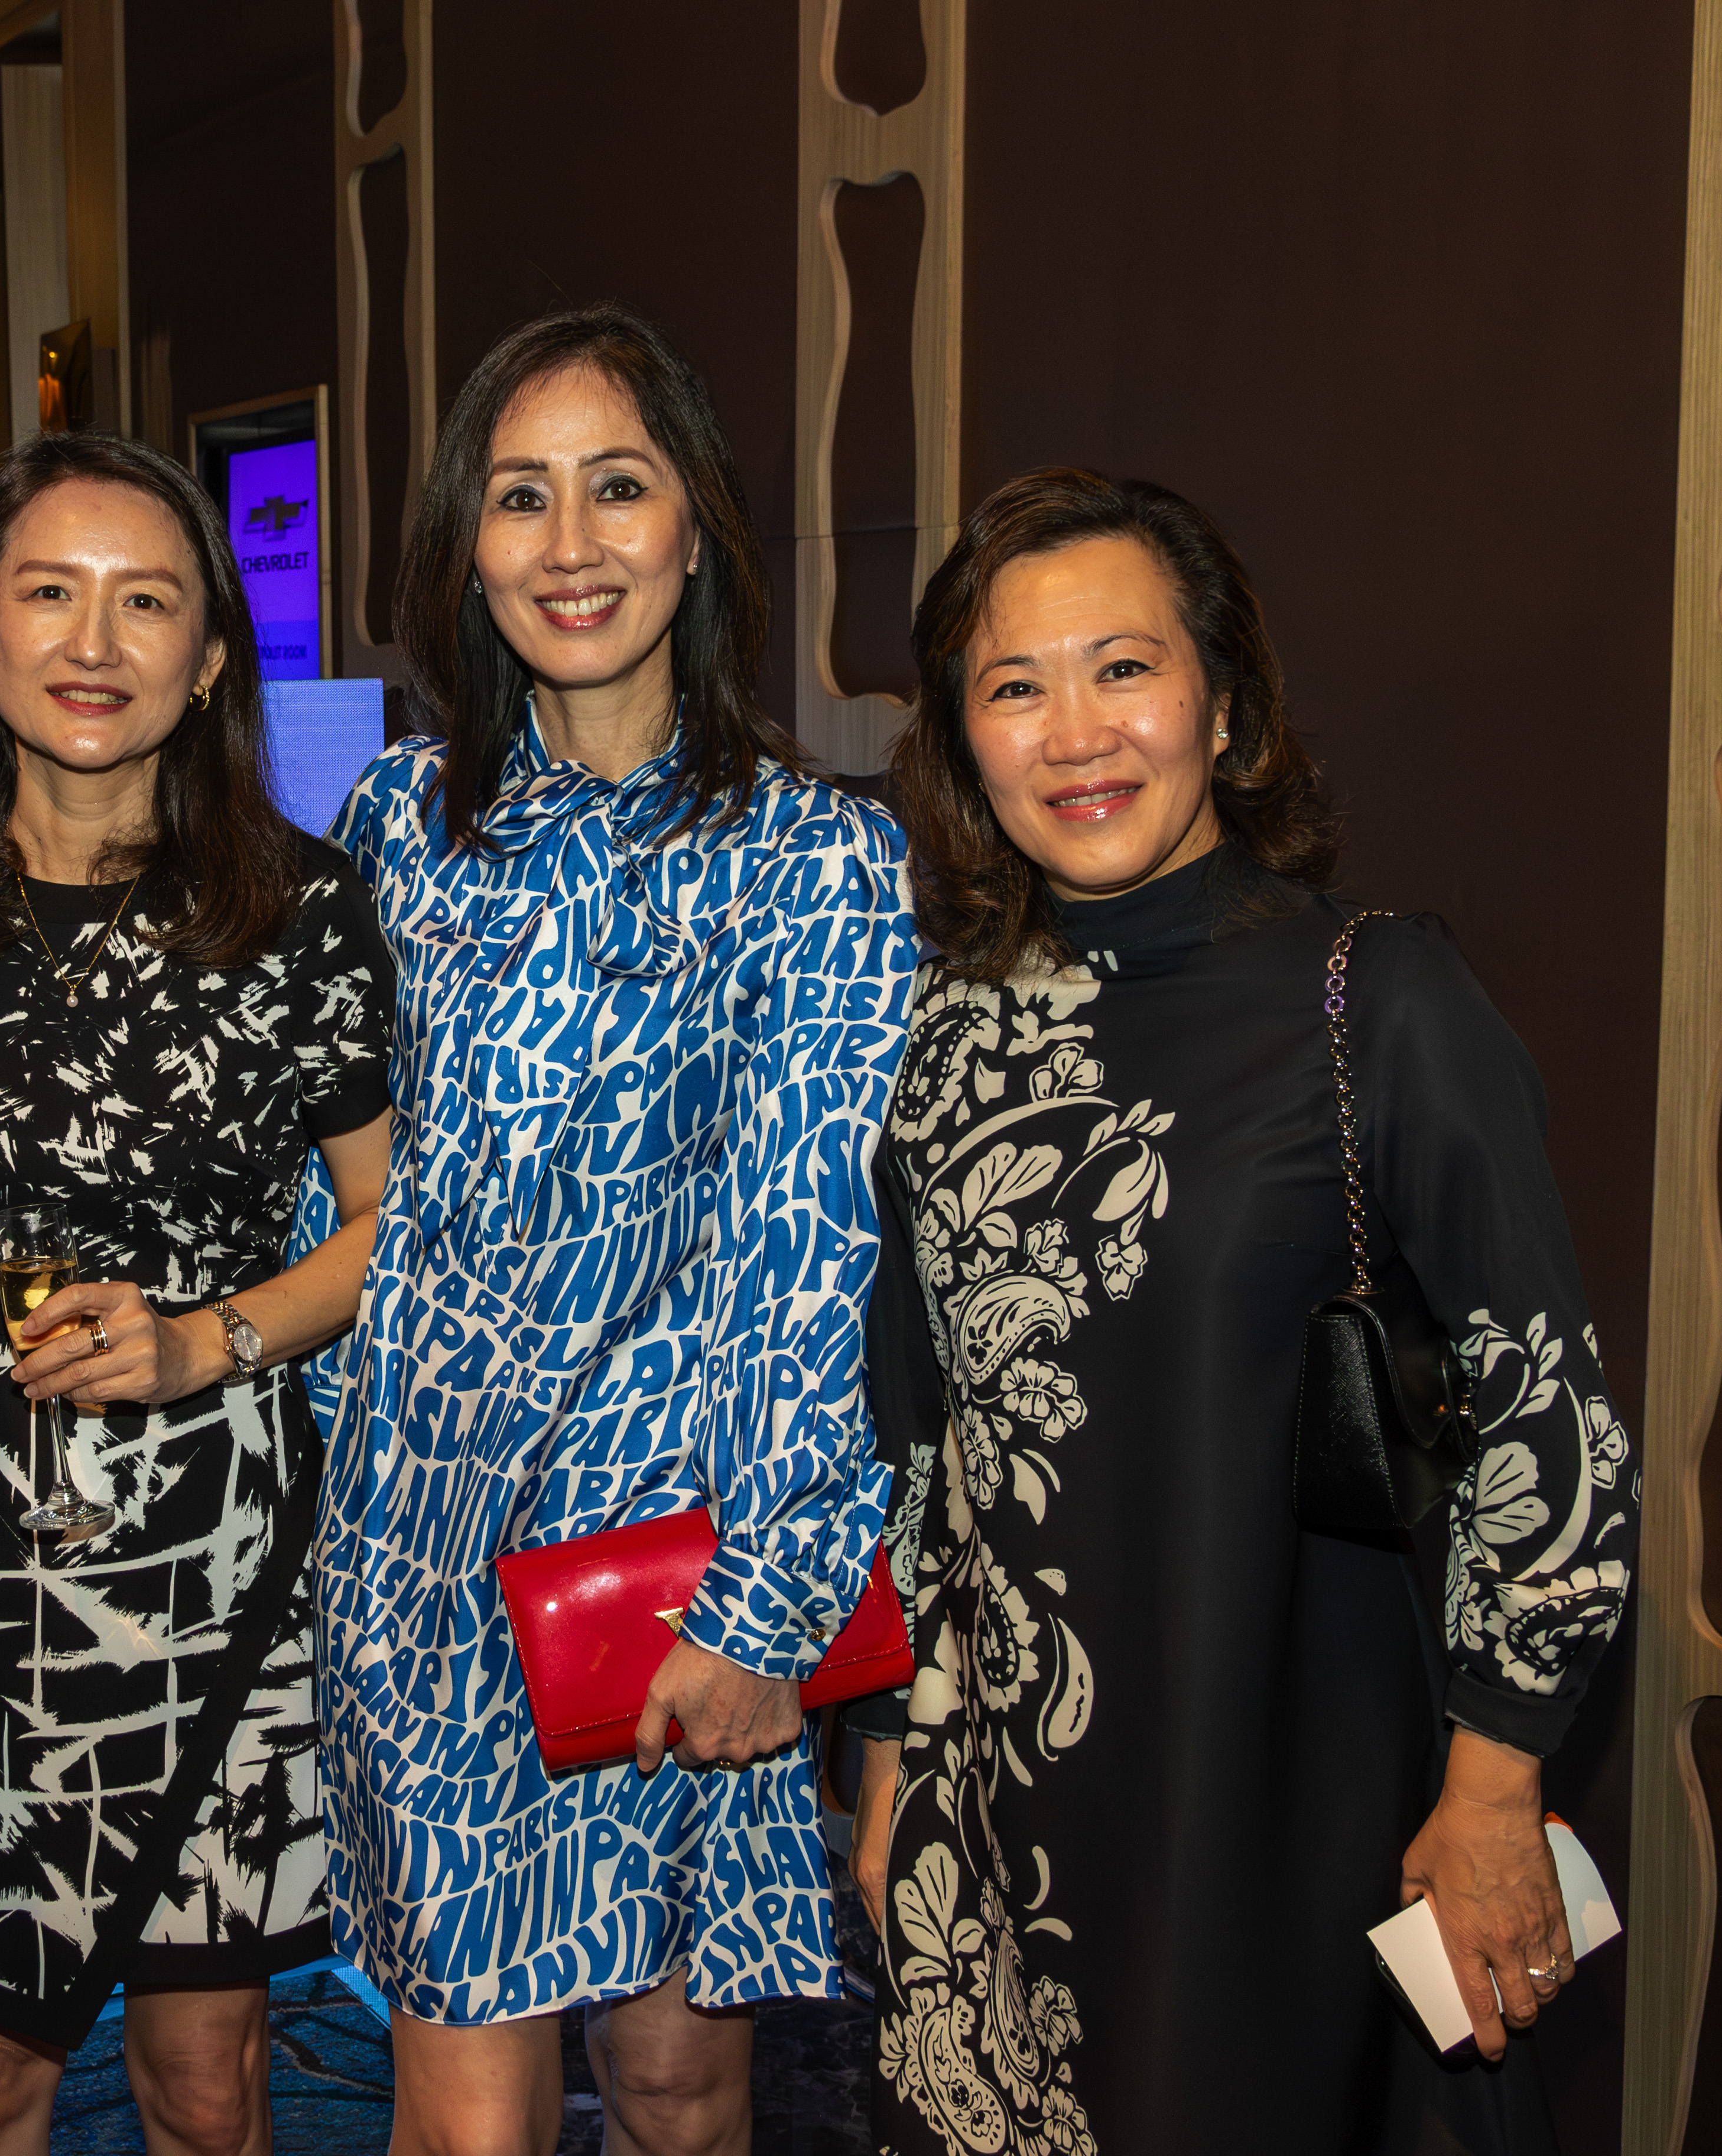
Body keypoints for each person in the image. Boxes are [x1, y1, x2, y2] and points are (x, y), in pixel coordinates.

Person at [855, 468, 1635, 2152]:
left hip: (1293, 1796)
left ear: (1225, 701)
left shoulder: (1383, 1002)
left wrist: (1499, 1783)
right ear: (963, 748)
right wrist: (894, 1774)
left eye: (1124, 668)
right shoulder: (943, 1042)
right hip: (1002, 1823)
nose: (1075, 732)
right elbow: (920, 1453)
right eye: (1014, 687)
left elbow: (1551, 1423)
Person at [310, 303, 919, 2156]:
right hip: (423, 1549)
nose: (570, 543)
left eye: (617, 486)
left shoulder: (815, 859)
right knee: (474, 2121)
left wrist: (770, 1609)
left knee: (675, 2085)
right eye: (519, 496)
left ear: (693, 527)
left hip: (668, 1573)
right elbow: (357, 1194)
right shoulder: (398, 825)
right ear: (463, 546)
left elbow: (811, 1265)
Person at [0, 428, 394, 2156]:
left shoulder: (293, 911)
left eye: (146, 600)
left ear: (213, 654)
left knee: (203, 2082)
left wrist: (203, 1337)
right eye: (48, 594)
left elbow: (392, 1225)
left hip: (213, 1550)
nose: (94, 640)